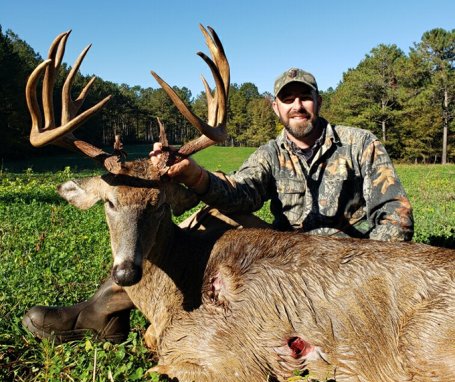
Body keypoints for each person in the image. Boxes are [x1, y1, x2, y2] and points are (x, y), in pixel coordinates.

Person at [22, 68, 414, 343]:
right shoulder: (270, 154)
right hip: (287, 250)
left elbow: (395, 210)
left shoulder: (360, 143)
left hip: (349, 260)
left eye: (305, 97)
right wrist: (193, 175)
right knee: (208, 218)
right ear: (275, 108)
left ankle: (107, 313)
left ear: (318, 101)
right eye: (287, 99)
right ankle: (101, 310)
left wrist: (369, 271)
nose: (297, 105)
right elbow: (241, 194)